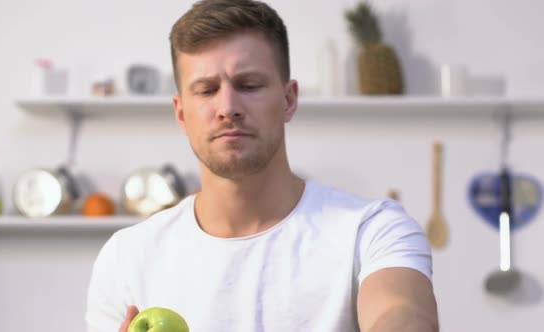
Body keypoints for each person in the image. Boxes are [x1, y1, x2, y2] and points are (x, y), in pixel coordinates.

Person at [86, 0, 439, 331]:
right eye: (207, 90)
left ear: (289, 100)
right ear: (181, 112)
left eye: (249, 85)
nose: (228, 107)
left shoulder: (372, 230)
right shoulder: (126, 256)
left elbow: (402, 312)